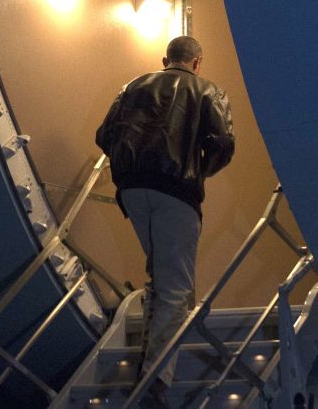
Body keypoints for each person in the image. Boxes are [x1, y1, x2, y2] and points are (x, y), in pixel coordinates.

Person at [95, 36, 234, 407]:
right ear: (197, 61)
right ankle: (155, 382)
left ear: (165, 59)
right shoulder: (207, 90)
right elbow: (223, 141)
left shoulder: (132, 86)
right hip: (176, 189)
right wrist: (197, 171)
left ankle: (149, 361)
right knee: (176, 287)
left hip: (132, 188)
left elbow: (103, 135)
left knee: (160, 275)